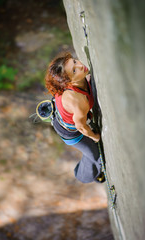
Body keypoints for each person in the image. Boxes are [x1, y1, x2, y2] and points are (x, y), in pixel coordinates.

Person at [45, 52, 105, 183]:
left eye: (75, 62)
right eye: (74, 70)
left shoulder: (80, 79)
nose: (80, 66)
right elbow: (81, 127)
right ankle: (82, 175)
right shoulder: (77, 100)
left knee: (92, 153)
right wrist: (94, 136)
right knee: (96, 156)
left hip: (65, 117)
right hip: (69, 133)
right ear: (69, 83)